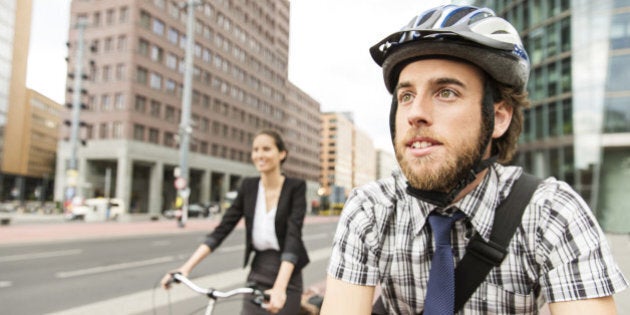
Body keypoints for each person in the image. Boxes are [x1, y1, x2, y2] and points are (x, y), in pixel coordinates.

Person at [321, 4, 628, 315]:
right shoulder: (371, 209)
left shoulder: (552, 213)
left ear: (498, 117)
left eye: (446, 92)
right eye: (406, 96)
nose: (415, 114)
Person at [161, 129, 310, 314]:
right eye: (255, 150)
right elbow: (222, 230)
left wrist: (280, 287)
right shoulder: (249, 186)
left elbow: (293, 237)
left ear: (282, 154)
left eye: (266, 149)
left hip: (287, 273)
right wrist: (185, 268)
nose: (259, 155)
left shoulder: (295, 187)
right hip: (259, 269)